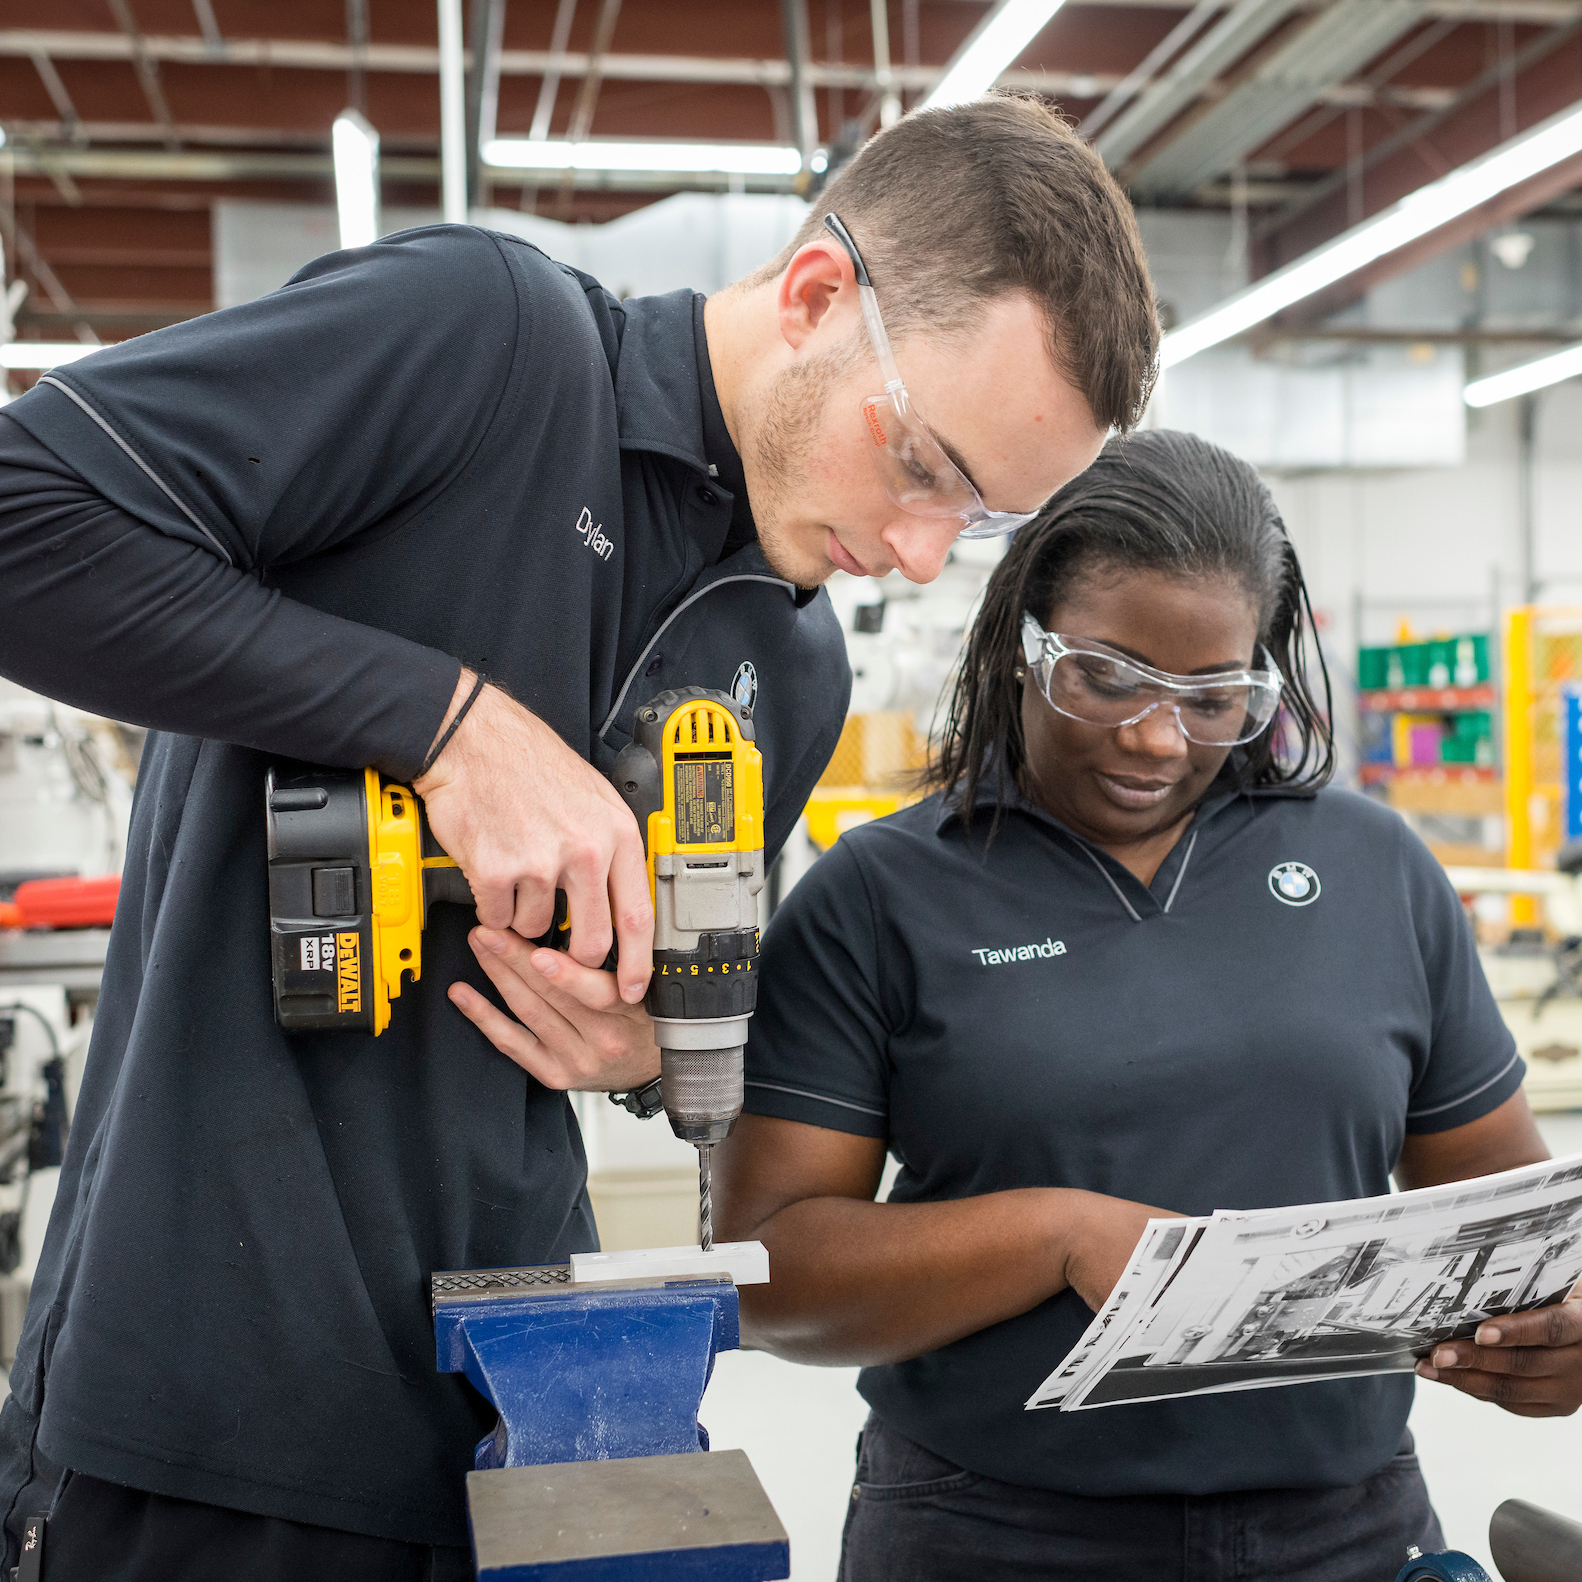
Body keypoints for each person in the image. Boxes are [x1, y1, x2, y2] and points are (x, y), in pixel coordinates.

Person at [0, 97, 1159, 1578]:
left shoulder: (789, 666)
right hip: (207, 1411)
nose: (923, 554)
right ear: (814, 297)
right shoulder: (480, 344)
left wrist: (648, 1048)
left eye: (981, 518)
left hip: (523, 1408)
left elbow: (683, 991)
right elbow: (24, 510)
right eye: (924, 465)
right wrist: (445, 723)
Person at [717, 429, 1582, 1582]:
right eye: (1104, 675)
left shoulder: (1373, 868)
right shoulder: (880, 895)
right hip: (992, 1535)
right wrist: (1059, 1234)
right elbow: (765, 1272)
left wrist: (1555, 1329)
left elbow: (1504, 1214)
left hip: (1346, 1533)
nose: (1153, 736)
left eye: (1214, 695)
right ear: (1023, 639)